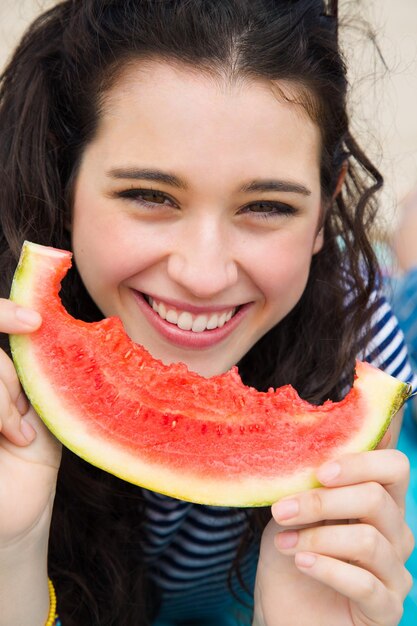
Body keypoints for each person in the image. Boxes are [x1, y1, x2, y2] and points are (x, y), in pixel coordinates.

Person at [0, 1, 415, 625]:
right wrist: (12, 552)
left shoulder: (361, 350)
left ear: (324, 213)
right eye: (148, 195)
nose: (203, 274)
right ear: (65, 180)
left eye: (268, 207)